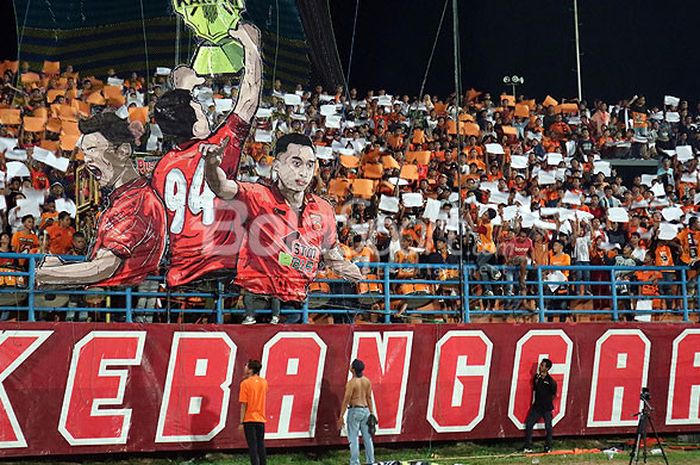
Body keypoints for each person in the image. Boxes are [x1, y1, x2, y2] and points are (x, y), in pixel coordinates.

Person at [204, 132, 362, 324]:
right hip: (257, 297)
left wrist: (351, 271)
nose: (303, 172)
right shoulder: (258, 195)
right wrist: (212, 165)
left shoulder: (323, 208)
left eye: (309, 165)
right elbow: (222, 187)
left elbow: (330, 253)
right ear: (277, 165)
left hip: (296, 301)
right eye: (296, 163)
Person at [151, 21, 262, 288]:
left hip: (177, 274)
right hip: (219, 267)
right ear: (194, 124)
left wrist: (183, 88)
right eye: (201, 112)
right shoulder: (218, 145)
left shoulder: (162, 167)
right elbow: (249, 97)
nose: (206, 115)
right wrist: (250, 46)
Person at [34, 112, 167, 287]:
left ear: (123, 151)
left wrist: (45, 274)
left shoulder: (135, 202)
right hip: (117, 296)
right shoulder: (126, 197)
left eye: (92, 150)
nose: (87, 159)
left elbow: (103, 268)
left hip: (124, 299)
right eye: (85, 152)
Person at [338, 359, 375, 465]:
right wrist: (371, 413)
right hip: (366, 410)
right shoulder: (367, 381)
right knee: (367, 438)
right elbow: (369, 397)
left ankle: (355, 462)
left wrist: (341, 416)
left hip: (355, 410)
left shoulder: (351, 383)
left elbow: (346, 399)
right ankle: (371, 461)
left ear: (353, 370)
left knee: (353, 438)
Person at [523, 358, 557, 454]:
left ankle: (548, 446)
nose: (540, 367)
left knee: (548, 427)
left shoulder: (551, 381)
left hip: (546, 408)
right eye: (540, 365)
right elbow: (535, 389)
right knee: (529, 424)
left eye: (542, 365)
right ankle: (528, 446)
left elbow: (553, 394)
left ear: (547, 368)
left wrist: (547, 402)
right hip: (536, 407)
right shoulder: (536, 378)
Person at [239, 359, 268, 465]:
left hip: (249, 418)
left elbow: (244, 404)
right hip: (261, 418)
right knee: (261, 445)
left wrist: (241, 422)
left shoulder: (245, 384)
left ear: (250, 369)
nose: (244, 367)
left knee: (252, 447)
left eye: (246, 366)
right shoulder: (264, 382)